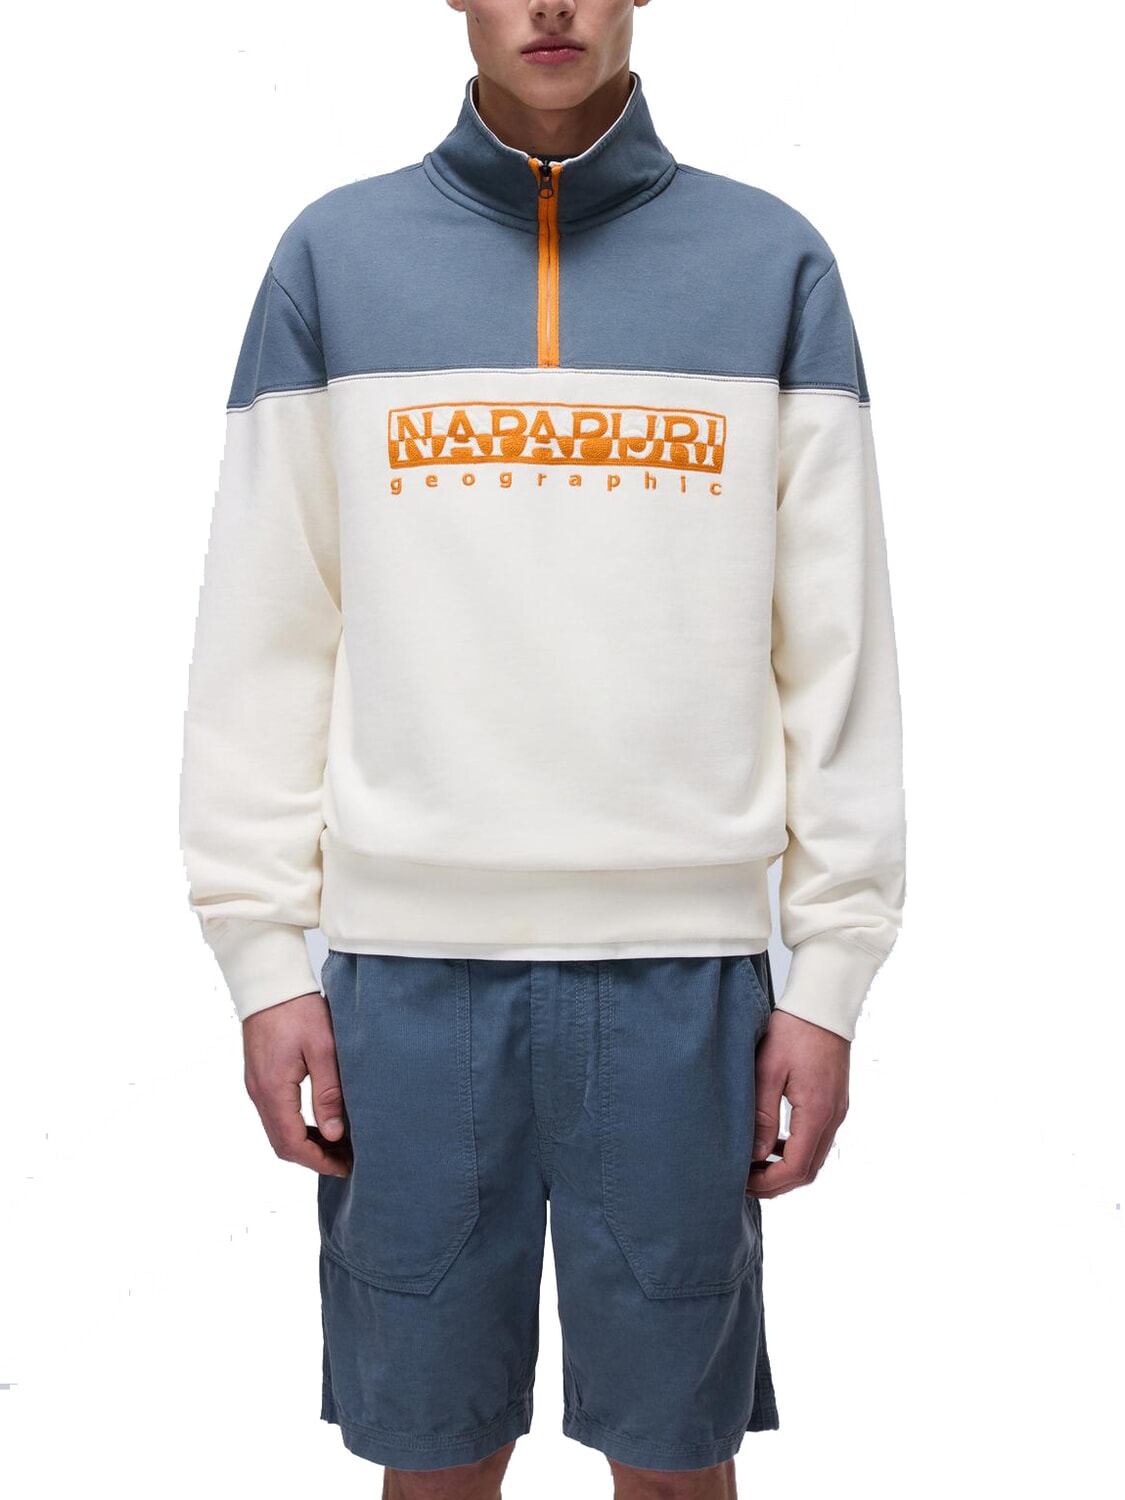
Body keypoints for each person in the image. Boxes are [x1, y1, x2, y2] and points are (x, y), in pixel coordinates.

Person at [177, 1, 907, 1495]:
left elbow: (835, 650)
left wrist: (830, 978)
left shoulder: (771, 265)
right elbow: (267, 630)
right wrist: (261, 956)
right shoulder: (335, 261)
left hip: (683, 978)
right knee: (434, 1459)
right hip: (405, 979)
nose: (552, 6)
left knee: (676, 1459)